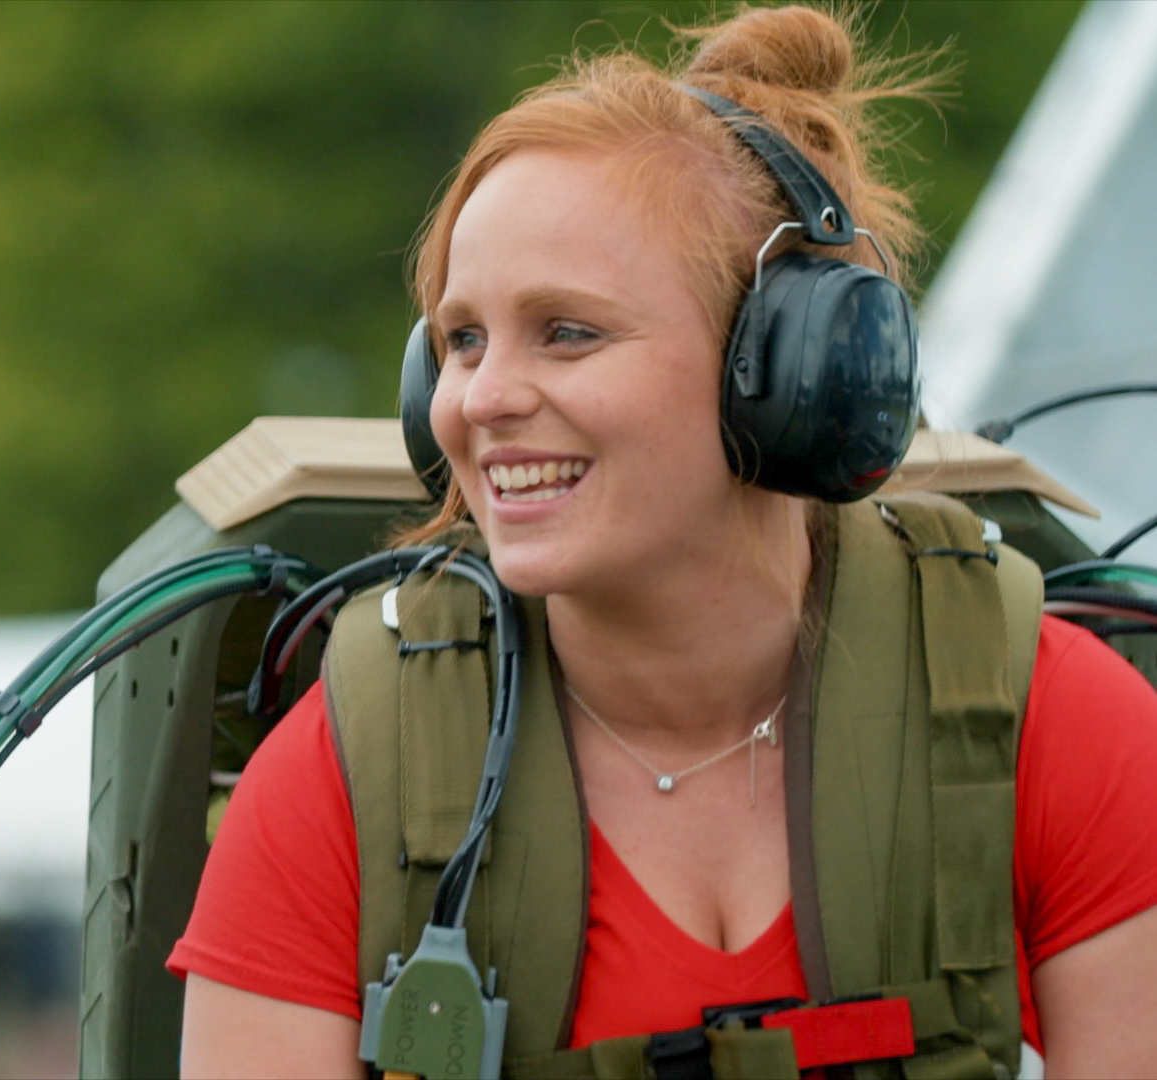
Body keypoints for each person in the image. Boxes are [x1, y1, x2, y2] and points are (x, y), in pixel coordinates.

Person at [169, 6, 1157, 1077]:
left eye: (569, 331)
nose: (483, 399)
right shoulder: (354, 777)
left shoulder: (1049, 723)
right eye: (461, 340)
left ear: (785, 372)